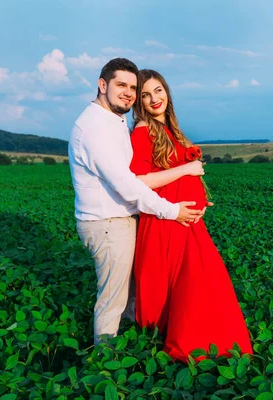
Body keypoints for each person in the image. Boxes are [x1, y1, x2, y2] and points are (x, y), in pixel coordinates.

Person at [68, 58, 207, 346]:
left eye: (133, 87)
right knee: (113, 300)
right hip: (107, 224)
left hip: (122, 220)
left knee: (132, 294)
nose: (129, 93)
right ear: (102, 84)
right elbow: (129, 183)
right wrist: (172, 211)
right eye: (122, 85)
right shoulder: (95, 128)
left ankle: (132, 348)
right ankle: (104, 365)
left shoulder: (113, 120)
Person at [129, 69, 253, 361]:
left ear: (167, 92)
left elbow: (170, 176)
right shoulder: (143, 131)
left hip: (186, 220)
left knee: (200, 281)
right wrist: (186, 169)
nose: (153, 99)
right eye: (145, 95)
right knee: (190, 282)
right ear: (139, 103)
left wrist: (198, 200)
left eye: (158, 90)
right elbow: (139, 181)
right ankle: (186, 344)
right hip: (166, 221)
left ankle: (208, 341)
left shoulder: (171, 129)